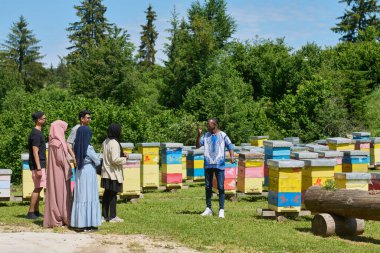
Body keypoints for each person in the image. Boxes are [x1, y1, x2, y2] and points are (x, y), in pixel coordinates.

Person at [196, 118, 234, 219]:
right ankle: (208, 208)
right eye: (207, 124)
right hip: (208, 164)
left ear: (215, 125)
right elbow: (197, 146)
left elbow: (230, 146)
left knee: (221, 187)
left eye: (209, 125)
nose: (207, 126)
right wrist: (198, 135)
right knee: (208, 187)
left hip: (219, 165)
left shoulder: (223, 135)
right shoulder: (206, 135)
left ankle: (221, 209)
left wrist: (232, 156)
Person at [70, 126, 101, 231]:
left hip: (79, 171)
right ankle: (89, 223)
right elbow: (97, 161)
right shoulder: (88, 147)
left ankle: (79, 223)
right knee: (89, 195)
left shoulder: (75, 145)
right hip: (88, 171)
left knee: (81, 195)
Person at [43, 120, 72, 228]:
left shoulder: (51, 142)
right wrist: (69, 167)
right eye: (63, 129)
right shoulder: (58, 143)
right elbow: (61, 160)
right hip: (60, 173)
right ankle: (63, 217)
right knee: (62, 194)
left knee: (53, 194)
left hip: (53, 173)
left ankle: (53, 218)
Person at [101, 123, 128, 223]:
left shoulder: (106, 141)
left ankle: (104, 216)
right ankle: (112, 217)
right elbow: (114, 159)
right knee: (112, 195)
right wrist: (125, 158)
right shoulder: (115, 143)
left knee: (106, 194)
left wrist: (121, 154)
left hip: (106, 172)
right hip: (113, 173)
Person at [26, 111, 47, 219]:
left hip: (41, 165)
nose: (45, 120)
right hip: (38, 166)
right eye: (44, 118)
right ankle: (30, 212)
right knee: (37, 188)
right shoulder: (35, 134)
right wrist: (39, 168)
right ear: (38, 120)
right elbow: (35, 152)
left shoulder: (38, 132)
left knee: (39, 187)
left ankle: (36, 211)